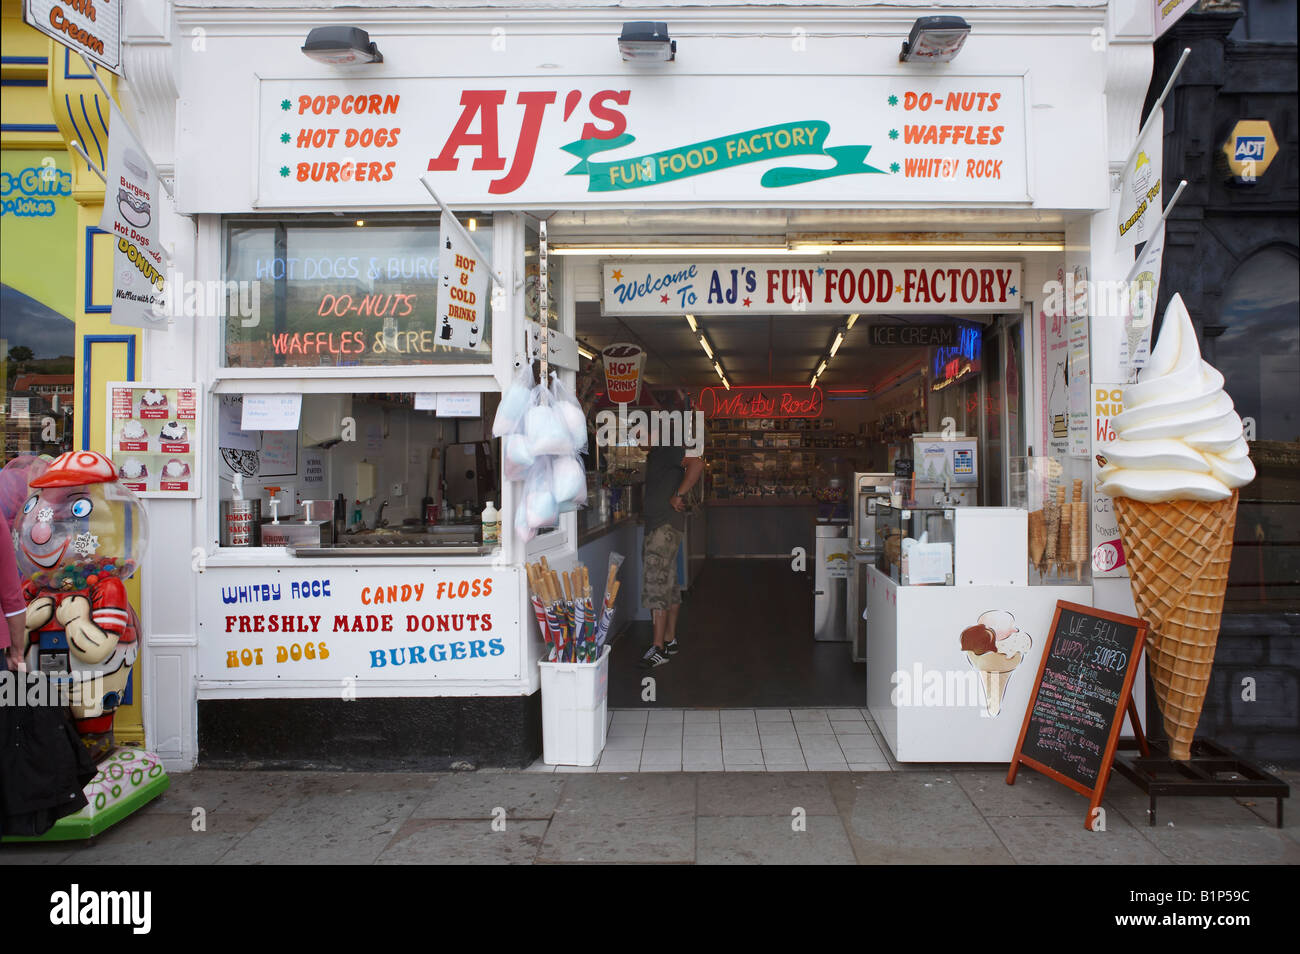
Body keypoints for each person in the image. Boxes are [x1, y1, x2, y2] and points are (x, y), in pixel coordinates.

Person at [638, 407, 705, 668]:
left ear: (653, 431)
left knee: (656, 587)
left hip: (662, 528)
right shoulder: (658, 453)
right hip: (664, 527)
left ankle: (657, 648)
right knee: (669, 586)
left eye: (639, 432)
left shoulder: (666, 448)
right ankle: (670, 640)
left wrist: (679, 493)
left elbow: (697, 462)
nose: (637, 439)